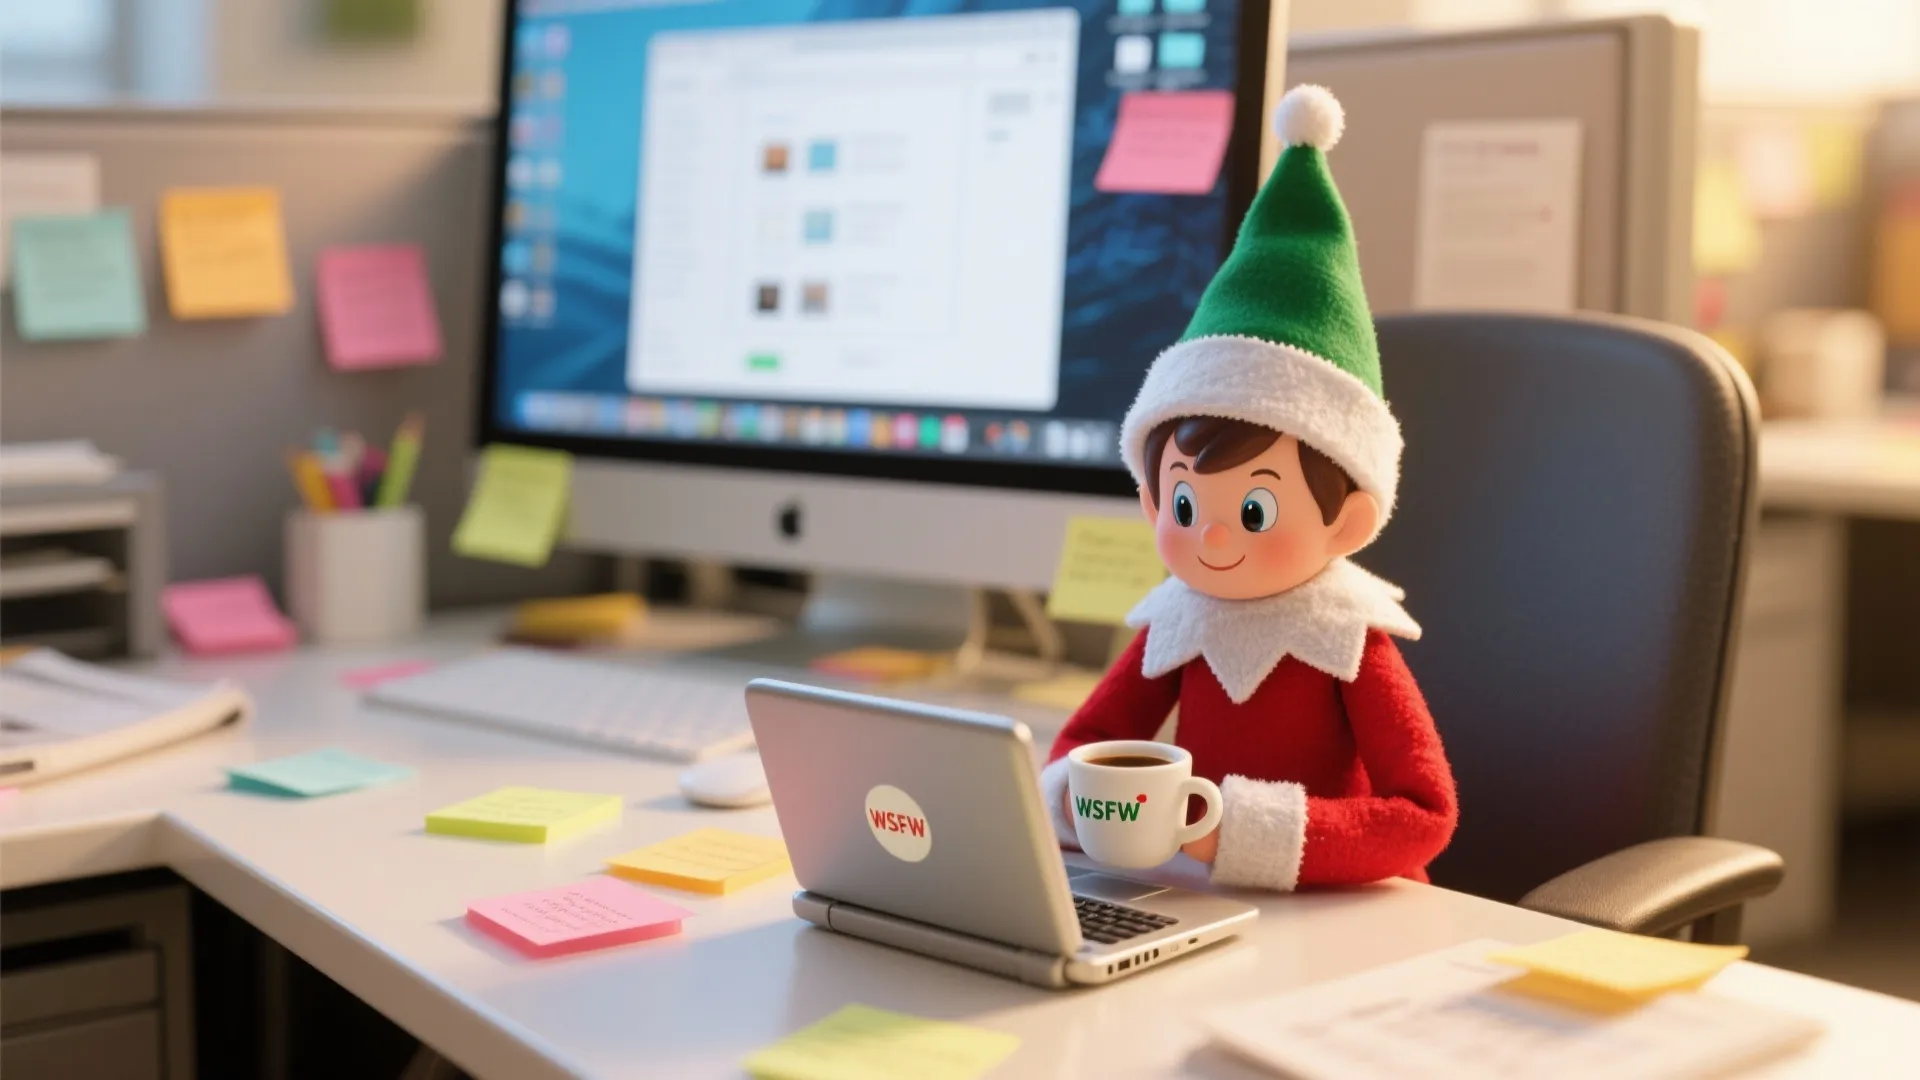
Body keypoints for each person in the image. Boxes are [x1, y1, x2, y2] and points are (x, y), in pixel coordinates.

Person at [1041, 85, 1457, 891]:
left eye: (1255, 508)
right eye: (1186, 505)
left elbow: (1423, 815)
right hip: (1201, 910)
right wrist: (1075, 806)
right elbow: (1076, 751)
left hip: (1341, 927)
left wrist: (1245, 832)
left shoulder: (1342, 638)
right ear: (1151, 496)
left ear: (1351, 519)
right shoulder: (1181, 620)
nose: (1214, 538)